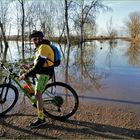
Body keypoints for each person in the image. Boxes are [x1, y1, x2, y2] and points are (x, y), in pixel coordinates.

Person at [19, 30, 54, 127]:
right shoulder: (40, 48)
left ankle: (41, 119)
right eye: (32, 39)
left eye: (35, 39)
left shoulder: (44, 47)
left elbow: (38, 66)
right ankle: (33, 94)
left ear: (40, 39)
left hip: (45, 73)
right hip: (40, 71)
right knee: (22, 72)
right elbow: (37, 62)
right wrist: (29, 66)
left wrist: (26, 75)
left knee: (38, 94)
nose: (33, 41)